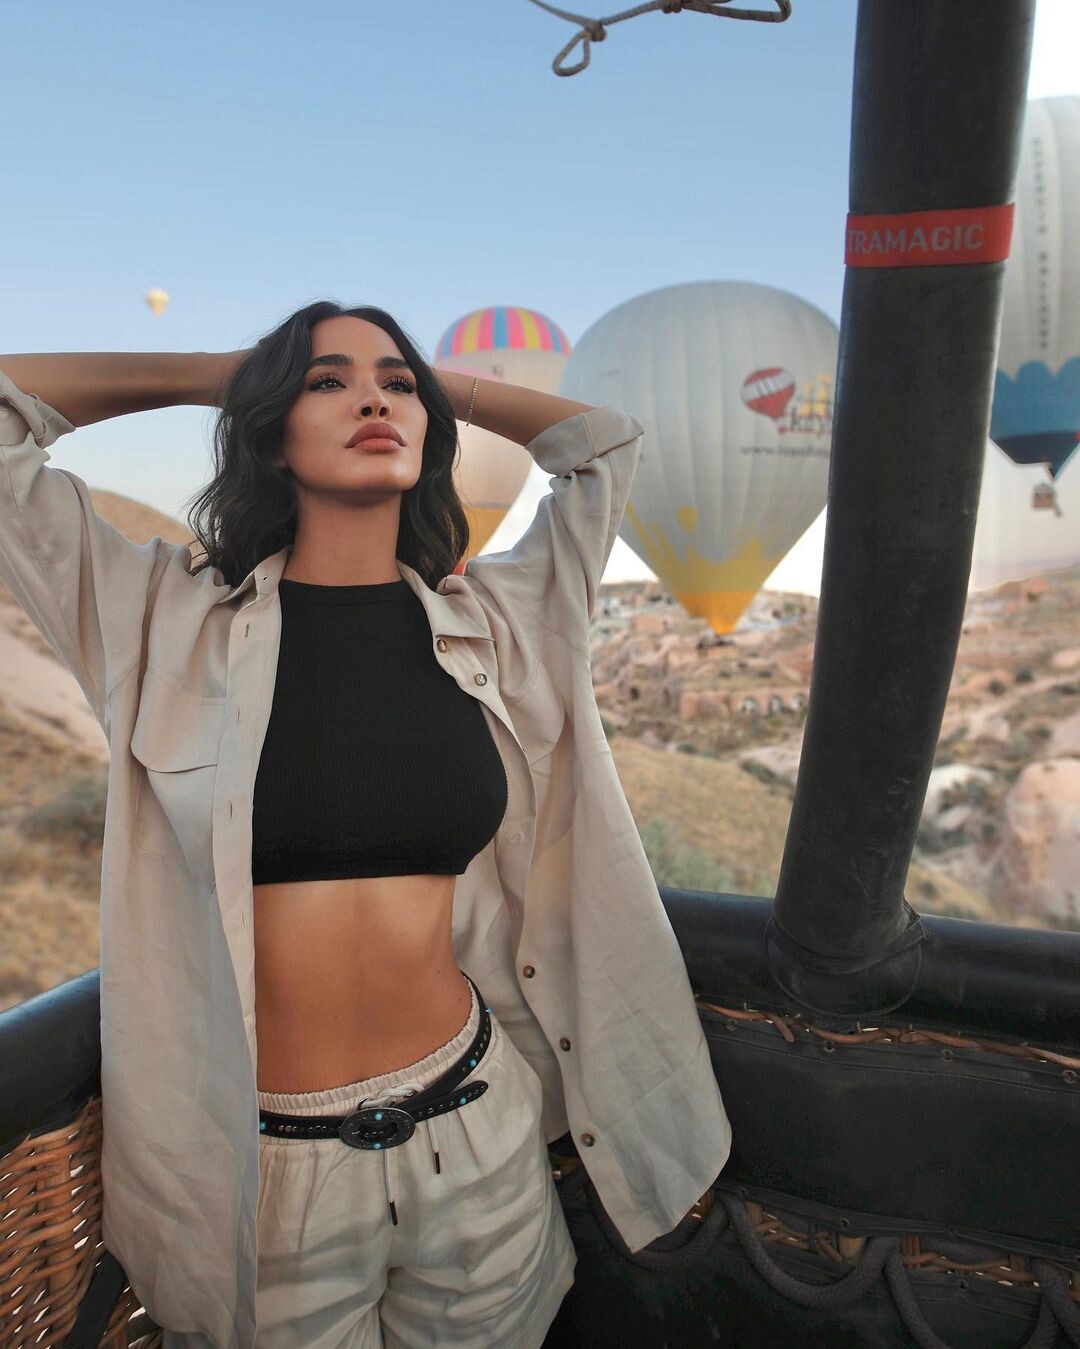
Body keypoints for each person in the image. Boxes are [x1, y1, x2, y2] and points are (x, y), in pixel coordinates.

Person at [0, 303, 731, 1348]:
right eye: (326, 381)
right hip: (261, 1175)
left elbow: (602, 445)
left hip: (477, 1136)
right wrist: (221, 373)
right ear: (270, 430)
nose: (373, 399)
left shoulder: (501, 621)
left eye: (395, 382)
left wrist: (434, 387)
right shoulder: (159, 621)